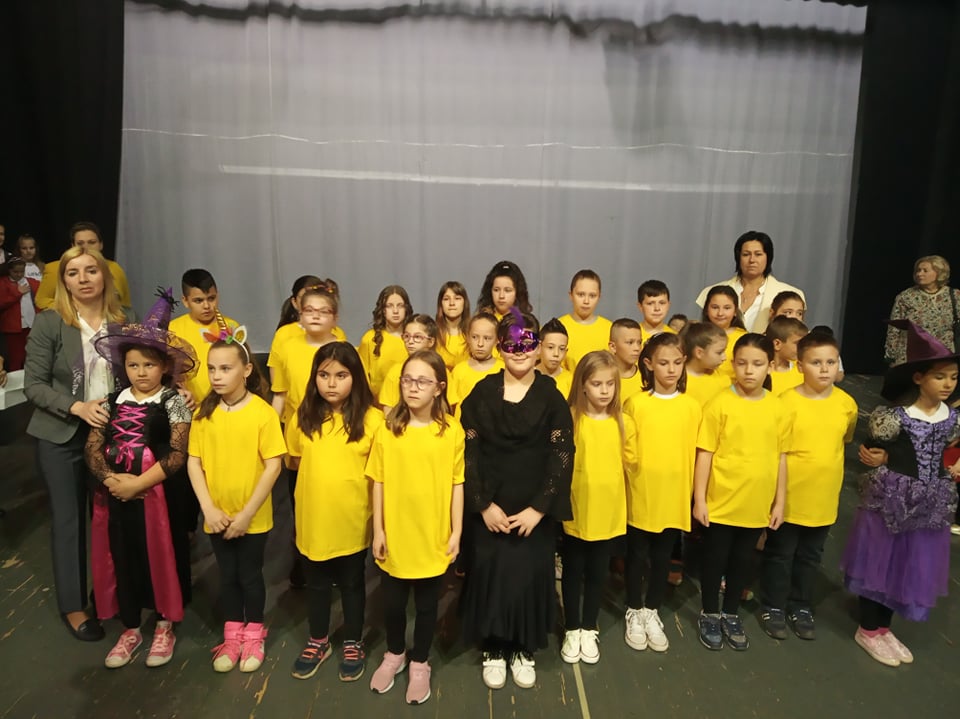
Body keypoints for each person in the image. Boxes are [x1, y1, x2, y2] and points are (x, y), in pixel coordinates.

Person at [459, 310, 574, 691]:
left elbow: (561, 455)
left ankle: (523, 647)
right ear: (499, 347)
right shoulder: (482, 393)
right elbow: (469, 451)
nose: (519, 351)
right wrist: (482, 503)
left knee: (527, 576)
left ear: (538, 348)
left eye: (527, 344)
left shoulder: (551, 397)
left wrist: (539, 508)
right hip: (491, 506)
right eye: (511, 344)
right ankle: (494, 647)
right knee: (491, 574)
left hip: (532, 509)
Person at [84, 289, 197, 668]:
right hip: (114, 496)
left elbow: (178, 452)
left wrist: (138, 483)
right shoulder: (111, 401)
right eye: (134, 365)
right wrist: (111, 480)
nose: (141, 372)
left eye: (149, 365)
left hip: (158, 494)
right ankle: (130, 626)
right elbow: (93, 445)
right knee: (122, 553)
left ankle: (165, 623)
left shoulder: (174, 401)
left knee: (162, 553)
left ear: (164, 366)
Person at [24, 246, 132, 641]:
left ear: (105, 275)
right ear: (63, 281)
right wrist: (77, 407)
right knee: (70, 522)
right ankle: (73, 606)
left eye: (91, 270)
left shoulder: (124, 320)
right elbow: (34, 385)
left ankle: (111, 595)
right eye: (73, 272)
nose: (83, 279)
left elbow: (141, 372)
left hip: (114, 434)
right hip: (62, 434)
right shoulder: (50, 322)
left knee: (112, 519)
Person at [841, 320, 959, 667]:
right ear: (918, 378)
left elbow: (944, 449)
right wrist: (884, 459)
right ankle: (868, 628)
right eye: (940, 377)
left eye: (953, 377)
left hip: (930, 501)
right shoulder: (895, 417)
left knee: (908, 564)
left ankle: (885, 627)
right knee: (880, 561)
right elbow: (872, 451)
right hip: (892, 498)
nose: (948, 384)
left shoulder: (951, 418)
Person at [368, 350, 464, 705]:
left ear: (439, 388)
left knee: (426, 606)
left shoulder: (451, 431)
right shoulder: (387, 429)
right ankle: (395, 653)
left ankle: (420, 661)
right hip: (396, 534)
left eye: (422, 381)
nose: (412, 387)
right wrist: (378, 530)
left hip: (432, 535)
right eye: (407, 380)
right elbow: (378, 481)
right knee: (393, 604)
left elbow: (457, 483)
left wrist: (456, 531)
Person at [187, 334, 286, 673]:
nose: (217, 376)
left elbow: (273, 466)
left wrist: (246, 515)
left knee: (250, 576)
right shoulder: (204, 413)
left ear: (246, 370)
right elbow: (194, 463)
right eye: (212, 369)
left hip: (251, 518)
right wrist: (209, 509)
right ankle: (232, 635)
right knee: (226, 576)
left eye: (225, 368)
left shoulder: (262, 414)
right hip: (217, 516)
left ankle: (254, 634)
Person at [287, 343, 380, 682]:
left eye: (341, 375)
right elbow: (295, 462)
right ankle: (318, 639)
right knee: (316, 583)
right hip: (313, 517)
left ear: (356, 378)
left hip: (352, 519)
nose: (331, 383)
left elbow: (380, 474)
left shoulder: (373, 420)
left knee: (352, 582)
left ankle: (353, 640)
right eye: (324, 375)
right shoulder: (303, 416)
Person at [759, 331, 857, 642]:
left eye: (831, 362)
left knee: (811, 555)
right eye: (816, 362)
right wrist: (776, 497)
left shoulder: (847, 404)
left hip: (823, 496)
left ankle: (800, 604)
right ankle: (773, 604)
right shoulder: (785, 403)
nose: (825, 369)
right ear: (800, 366)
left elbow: (844, 440)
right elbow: (775, 451)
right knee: (781, 553)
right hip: (788, 496)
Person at [693, 333, 788, 652]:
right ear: (733, 364)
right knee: (715, 559)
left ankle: (731, 613)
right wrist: (700, 498)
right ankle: (710, 612)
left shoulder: (778, 408)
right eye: (742, 363)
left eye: (757, 364)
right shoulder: (719, 403)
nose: (749, 370)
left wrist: (779, 502)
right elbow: (705, 453)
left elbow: (781, 457)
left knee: (742, 561)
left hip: (756, 504)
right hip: (721, 502)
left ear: (770, 366)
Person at [622, 333, 701, 653]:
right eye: (664, 363)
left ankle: (652, 610)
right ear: (649, 364)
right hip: (641, 493)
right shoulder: (636, 404)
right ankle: (633, 608)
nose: (671, 369)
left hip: (674, 495)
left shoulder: (692, 407)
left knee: (662, 556)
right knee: (636, 555)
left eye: (677, 363)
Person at [559, 351, 629, 665]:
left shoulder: (622, 422)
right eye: (597, 384)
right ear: (583, 385)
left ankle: (589, 627)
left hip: (607, 512)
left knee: (598, 572)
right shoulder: (571, 418)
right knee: (573, 570)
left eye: (609, 384)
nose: (604, 390)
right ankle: (572, 627)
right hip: (577, 510)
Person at [695, 231, 805, 333]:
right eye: (746, 254)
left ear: (768, 257)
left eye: (758, 254)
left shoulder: (791, 294)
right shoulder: (713, 292)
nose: (752, 260)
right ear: (738, 258)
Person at [168, 269, 240, 406]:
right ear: (185, 301)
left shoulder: (231, 327)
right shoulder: (173, 330)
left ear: (218, 296)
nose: (206, 306)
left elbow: (241, 368)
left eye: (211, 298)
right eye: (198, 301)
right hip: (189, 406)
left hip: (226, 405)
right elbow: (165, 371)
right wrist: (177, 391)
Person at [36, 222, 132, 310]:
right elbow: (41, 300)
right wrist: (74, 308)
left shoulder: (114, 268)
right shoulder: (55, 269)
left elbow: (125, 303)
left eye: (92, 242)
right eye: (80, 243)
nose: (86, 247)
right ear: (73, 246)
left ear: (101, 245)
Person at [268, 276, 347, 381]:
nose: (315, 316)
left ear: (335, 318)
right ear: (301, 313)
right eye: (309, 310)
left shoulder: (342, 343)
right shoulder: (287, 344)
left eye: (323, 311)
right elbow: (278, 384)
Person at [885, 255, 960, 364]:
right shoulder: (906, 296)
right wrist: (891, 355)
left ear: (939, 272)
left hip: (943, 355)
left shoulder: (955, 295)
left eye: (925, 270)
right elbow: (894, 328)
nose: (919, 274)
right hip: (911, 355)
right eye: (918, 270)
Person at [358, 286, 413, 400]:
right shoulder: (370, 339)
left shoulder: (413, 338)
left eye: (400, 306)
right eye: (389, 306)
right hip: (376, 404)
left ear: (406, 309)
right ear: (383, 310)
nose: (395, 311)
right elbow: (361, 377)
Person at [377, 314, 439, 412]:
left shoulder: (440, 371)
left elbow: (448, 408)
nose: (410, 341)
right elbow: (388, 408)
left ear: (431, 341)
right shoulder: (395, 371)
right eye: (406, 336)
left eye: (417, 337)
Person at [447, 312, 503, 413]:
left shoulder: (503, 369)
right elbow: (451, 407)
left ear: (497, 340)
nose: (480, 344)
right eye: (475, 337)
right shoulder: (459, 370)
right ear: (468, 337)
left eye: (487, 338)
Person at [559, 270, 611, 372]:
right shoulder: (558, 327)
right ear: (571, 295)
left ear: (599, 297)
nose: (586, 301)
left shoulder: (610, 329)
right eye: (581, 294)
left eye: (592, 296)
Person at [0, 257, 39, 370]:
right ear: (9, 270)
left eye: (22, 271)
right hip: (13, 329)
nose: (19, 274)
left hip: (32, 326)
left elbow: (40, 300)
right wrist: (17, 293)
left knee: (33, 357)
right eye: (15, 272)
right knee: (16, 359)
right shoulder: (3, 283)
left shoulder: (32, 282)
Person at [701, 285, 747, 379]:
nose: (720, 313)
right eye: (715, 307)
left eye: (727, 308)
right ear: (706, 309)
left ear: (735, 311)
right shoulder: (697, 335)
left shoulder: (744, 338)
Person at [682, 322, 730, 409]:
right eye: (719, 352)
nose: (724, 358)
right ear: (699, 353)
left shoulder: (723, 378)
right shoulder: (677, 381)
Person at [765, 316, 808, 396]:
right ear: (777, 344)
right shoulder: (762, 374)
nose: (803, 347)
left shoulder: (803, 370)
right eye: (798, 343)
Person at [435, 281, 471, 370]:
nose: (452, 303)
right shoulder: (433, 334)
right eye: (446, 299)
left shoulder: (474, 333)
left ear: (464, 303)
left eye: (457, 298)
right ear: (441, 304)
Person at [607, 318, 644, 404]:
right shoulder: (602, 378)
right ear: (613, 347)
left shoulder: (647, 378)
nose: (637, 348)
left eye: (639, 342)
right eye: (630, 342)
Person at [538, 318, 572, 398]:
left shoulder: (572, 381)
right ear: (539, 347)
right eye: (550, 347)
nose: (556, 354)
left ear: (566, 352)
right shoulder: (528, 377)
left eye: (561, 349)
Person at [636, 279, 675, 344]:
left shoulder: (674, 338)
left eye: (662, 303)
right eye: (650, 303)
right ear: (640, 306)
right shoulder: (632, 335)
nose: (657, 308)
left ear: (668, 306)